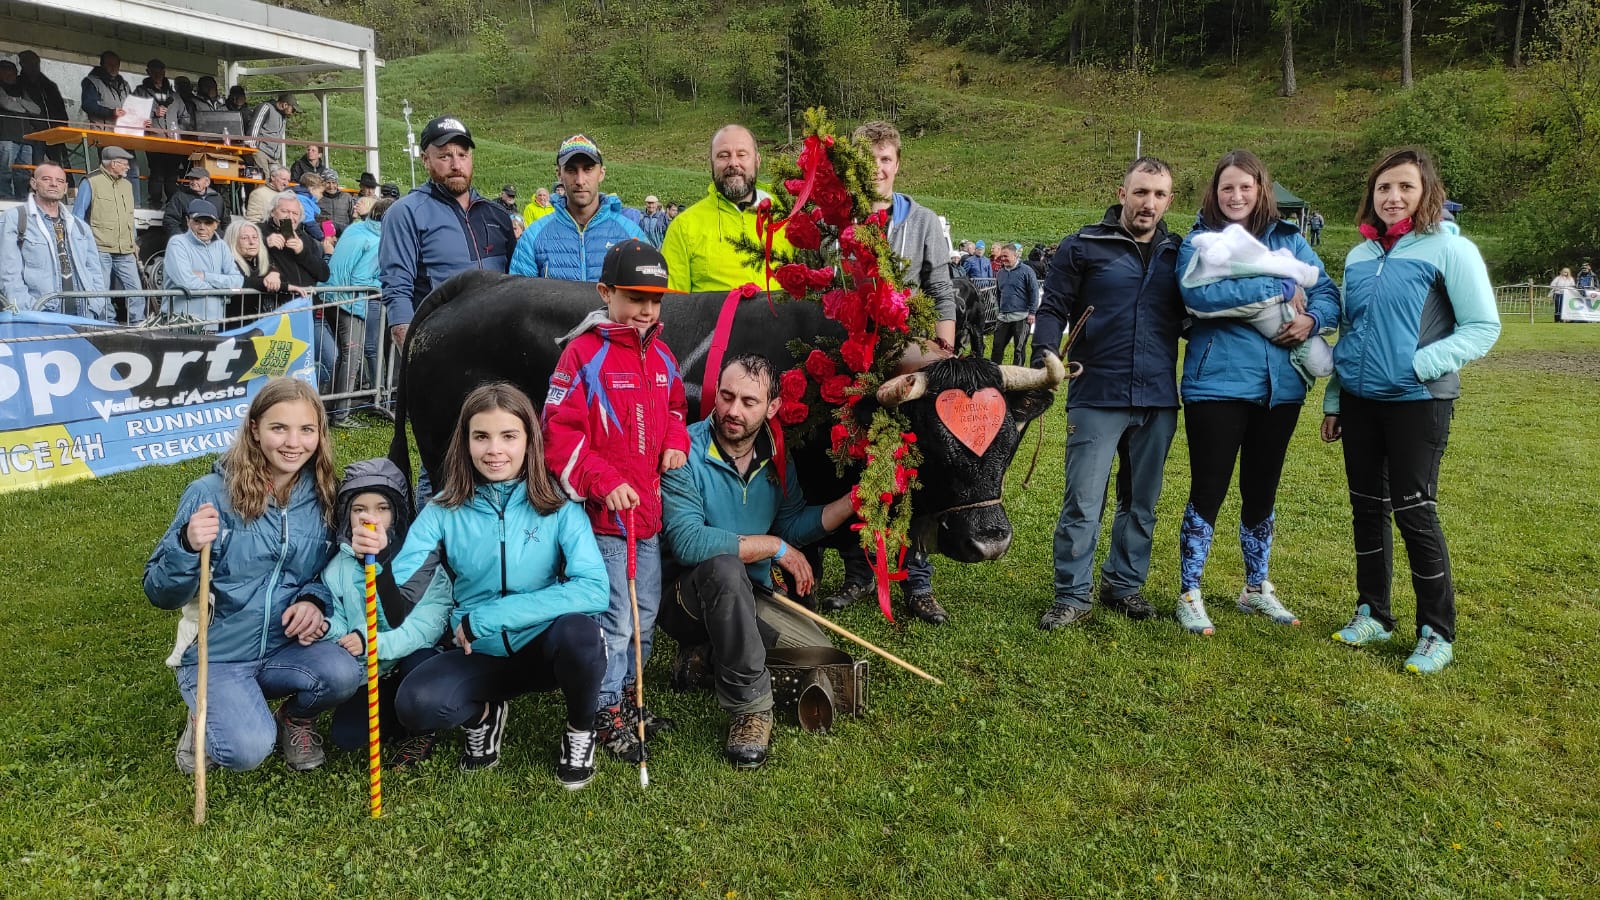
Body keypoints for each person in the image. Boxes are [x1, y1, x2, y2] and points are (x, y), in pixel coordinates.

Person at [1322, 147, 1501, 675]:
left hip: (1417, 402)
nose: (1393, 197)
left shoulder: (1450, 249)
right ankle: (1373, 612)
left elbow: (1482, 327)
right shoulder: (1359, 256)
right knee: (1365, 508)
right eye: (1383, 188)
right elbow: (1351, 333)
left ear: (1427, 192)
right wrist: (1335, 399)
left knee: (1414, 511)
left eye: (1405, 187)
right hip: (1358, 402)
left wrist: (1419, 365)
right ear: (1371, 195)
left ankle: (1435, 631)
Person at [385, 383, 609, 786]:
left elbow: (593, 589)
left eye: (509, 436)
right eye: (482, 436)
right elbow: (395, 604)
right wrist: (377, 562)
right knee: (415, 703)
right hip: (478, 653)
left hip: (542, 647)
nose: (495, 450)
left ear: (529, 441)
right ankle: (484, 717)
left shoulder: (557, 504)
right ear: (466, 442)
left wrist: (490, 616)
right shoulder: (443, 511)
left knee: (582, 634)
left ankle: (580, 730)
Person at [145, 377, 364, 774]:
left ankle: (294, 718)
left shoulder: (324, 496)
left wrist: (314, 600)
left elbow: (328, 569)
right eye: (279, 428)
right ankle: (205, 714)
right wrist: (187, 544)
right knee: (246, 750)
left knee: (346, 671)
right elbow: (159, 592)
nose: (293, 442)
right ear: (255, 430)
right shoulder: (209, 494)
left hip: (286, 647)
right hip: (219, 653)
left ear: (320, 433)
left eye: (307, 430)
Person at [1171, 150, 1339, 636]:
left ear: (1261, 190)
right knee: (1210, 487)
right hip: (1217, 382)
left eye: (1246, 187)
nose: (1236, 195)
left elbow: (1327, 292)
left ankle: (1255, 587)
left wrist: (1312, 319)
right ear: (1214, 193)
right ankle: (1189, 590)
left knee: (1262, 487)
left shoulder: (1291, 239)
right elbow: (1196, 295)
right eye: (1227, 187)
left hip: (1282, 386)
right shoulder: (1200, 241)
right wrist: (1279, 284)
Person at [659, 354, 856, 768]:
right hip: (683, 598)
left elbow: (794, 525)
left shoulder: (777, 459)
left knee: (819, 653)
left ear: (772, 408)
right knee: (722, 566)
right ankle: (750, 709)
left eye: (749, 402)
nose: (733, 410)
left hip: (750, 593)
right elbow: (689, 542)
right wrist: (773, 548)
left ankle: (703, 661)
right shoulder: (684, 452)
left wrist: (852, 503)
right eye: (726, 397)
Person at [541, 239, 690, 763]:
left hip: (646, 516)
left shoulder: (664, 355)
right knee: (615, 618)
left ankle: (631, 695)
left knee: (644, 613)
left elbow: (675, 407)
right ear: (606, 292)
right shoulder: (582, 353)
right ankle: (603, 706)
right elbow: (558, 435)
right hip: (601, 521)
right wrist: (602, 481)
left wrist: (676, 441)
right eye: (634, 297)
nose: (646, 310)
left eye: (655, 300)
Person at [1034, 157, 1185, 631]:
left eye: (1159, 195)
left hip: (1158, 396)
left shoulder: (1180, 253)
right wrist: (1045, 353)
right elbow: (1053, 306)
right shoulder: (1084, 245)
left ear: (1169, 201)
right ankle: (1072, 594)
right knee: (1084, 499)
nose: (1149, 203)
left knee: (1141, 501)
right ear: (1122, 194)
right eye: (1141, 192)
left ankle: (1124, 584)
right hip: (1097, 391)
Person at [818, 121, 959, 625]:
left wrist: (941, 352)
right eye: (868, 160)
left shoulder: (921, 222)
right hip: (847, 362)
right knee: (852, 463)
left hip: (908, 363)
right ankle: (858, 572)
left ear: (897, 164)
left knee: (913, 468)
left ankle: (917, 580)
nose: (877, 169)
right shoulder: (836, 220)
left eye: (885, 159)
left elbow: (941, 289)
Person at [319, 458, 455, 767]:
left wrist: (371, 642)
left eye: (382, 508)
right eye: (359, 509)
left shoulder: (420, 559)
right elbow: (340, 619)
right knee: (347, 736)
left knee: (423, 669)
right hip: (371, 672)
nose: (371, 518)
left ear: (398, 513)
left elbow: (426, 625)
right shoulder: (338, 566)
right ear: (346, 516)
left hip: (414, 658)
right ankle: (395, 719)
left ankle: (422, 728)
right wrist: (327, 628)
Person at [378, 115, 514, 352]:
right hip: (442, 349)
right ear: (425, 160)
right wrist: (413, 357)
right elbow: (396, 289)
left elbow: (517, 279)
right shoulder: (405, 213)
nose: (456, 165)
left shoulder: (498, 215)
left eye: (463, 155)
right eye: (444, 156)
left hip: (500, 346)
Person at [660, 124, 792, 293]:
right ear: (712, 164)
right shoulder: (683, 228)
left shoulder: (789, 219)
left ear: (757, 161)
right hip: (713, 320)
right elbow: (672, 304)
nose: (733, 163)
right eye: (723, 156)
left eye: (742, 154)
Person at [509, 134, 645, 281]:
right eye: (571, 170)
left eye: (588, 169)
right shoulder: (533, 237)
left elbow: (648, 297)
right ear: (559, 174)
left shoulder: (631, 235)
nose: (580, 180)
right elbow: (518, 300)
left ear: (601, 173)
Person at [0, 162, 110, 318]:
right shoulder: (15, 219)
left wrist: (96, 305)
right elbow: (8, 275)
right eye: (46, 179)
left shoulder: (80, 226)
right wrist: (29, 312)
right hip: (39, 318)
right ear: (33, 183)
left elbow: (95, 271)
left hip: (83, 316)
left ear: (65, 188)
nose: (53, 184)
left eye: (59, 181)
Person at [320, 196, 387, 426]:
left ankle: (330, 408)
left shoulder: (356, 227)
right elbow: (361, 278)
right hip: (348, 300)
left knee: (342, 356)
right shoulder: (378, 241)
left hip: (329, 295)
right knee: (352, 357)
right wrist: (385, 286)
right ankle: (341, 414)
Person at [72, 146, 146, 324]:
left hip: (126, 249)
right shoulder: (90, 181)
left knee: (136, 288)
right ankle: (108, 323)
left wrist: (133, 241)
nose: (128, 167)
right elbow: (77, 217)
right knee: (102, 289)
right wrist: (82, 246)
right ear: (113, 164)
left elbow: (129, 215)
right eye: (125, 164)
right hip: (99, 248)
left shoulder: (127, 185)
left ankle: (139, 322)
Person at [164, 199, 244, 328]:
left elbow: (237, 282)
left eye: (208, 223)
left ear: (216, 224)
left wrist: (205, 276)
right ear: (188, 221)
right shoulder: (177, 243)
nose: (202, 227)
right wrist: (222, 289)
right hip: (181, 323)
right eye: (197, 222)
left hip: (213, 324)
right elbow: (187, 283)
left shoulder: (222, 246)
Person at [135, 59, 186, 209]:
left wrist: (178, 130)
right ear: (148, 72)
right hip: (153, 140)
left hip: (173, 143)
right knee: (156, 174)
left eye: (161, 72)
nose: (158, 75)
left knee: (172, 176)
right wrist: (152, 114)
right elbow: (132, 115)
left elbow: (186, 117)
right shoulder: (140, 92)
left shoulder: (174, 96)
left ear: (164, 73)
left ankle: (173, 208)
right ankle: (154, 207)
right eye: (154, 71)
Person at [223, 219, 285, 320]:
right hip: (234, 325)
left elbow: (284, 277)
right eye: (244, 238)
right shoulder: (227, 263)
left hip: (257, 326)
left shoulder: (260, 262)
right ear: (233, 241)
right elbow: (243, 282)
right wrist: (267, 282)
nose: (251, 242)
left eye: (255, 237)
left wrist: (275, 273)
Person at [16, 51, 69, 168]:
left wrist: (63, 128)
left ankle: (68, 186)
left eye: (35, 62)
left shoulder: (49, 85)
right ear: (22, 64)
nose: (33, 66)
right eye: (29, 63)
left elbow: (60, 109)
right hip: (34, 133)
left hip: (55, 132)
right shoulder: (18, 83)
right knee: (36, 167)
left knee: (63, 167)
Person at [0, 60, 44, 201]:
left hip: (26, 138)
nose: (9, 74)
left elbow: (36, 109)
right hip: (5, 136)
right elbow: (7, 104)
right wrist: (22, 104)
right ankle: (5, 197)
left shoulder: (21, 89)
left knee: (24, 172)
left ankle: (23, 198)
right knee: (4, 170)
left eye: (12, 71)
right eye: (5, 71)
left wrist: (17, 101)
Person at [991, 243, 1039, 366]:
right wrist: (998, 311)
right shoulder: (1000, 273)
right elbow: (998, 293)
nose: (1003, 259)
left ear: (1015, 255)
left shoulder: (1027, 271)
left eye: (1006, 256)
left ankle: (1018, 376)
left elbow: (1034, 292)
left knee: (1019, 349)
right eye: (1001, 256)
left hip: (1022, 317)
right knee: (997, 347)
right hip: (1003, 317)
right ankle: (994, 374)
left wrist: (1032, 313)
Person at [162, 167, 230, 237]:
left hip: (213, 242)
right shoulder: (180, 196)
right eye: (191, 179)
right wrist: (182, 239)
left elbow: (226, 221)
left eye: (197, 179)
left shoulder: (217, 198)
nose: (194, 182)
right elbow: (170, 220)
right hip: (189, 241)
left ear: (207, 182)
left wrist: (222, 238)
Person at [248, 92, 297, 174]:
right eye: (293, 109)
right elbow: (254, 127)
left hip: (274, 157)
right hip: (260, 152)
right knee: (265, 180)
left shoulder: (283, 117)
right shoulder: (266, 107)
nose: (293, 112)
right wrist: (253, 149)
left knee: (280, 179)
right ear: (285, 105)